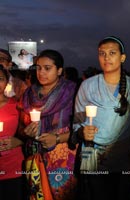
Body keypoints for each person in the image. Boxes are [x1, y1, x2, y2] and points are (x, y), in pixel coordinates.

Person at [72, 36, 130, 200]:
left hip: (124, 154)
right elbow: (78, 119)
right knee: (95, 193)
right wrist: (82, 132)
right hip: (92, 153)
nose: (106, 58)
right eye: (102, 53)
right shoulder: (88, 85)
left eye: (112, 53)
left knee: (123, 194)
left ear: (122, 57)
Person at [18, 49, 77, 200]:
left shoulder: (72, 92)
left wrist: (57, 138)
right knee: (38, 194)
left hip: (63, 154)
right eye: (38, 68)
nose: (41, 72)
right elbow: (19, 127)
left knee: (61, 194)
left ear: (59, 70)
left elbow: (83, 127)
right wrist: (26, 132)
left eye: (47, 68)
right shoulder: (29, 94)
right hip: (35, 154)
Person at [0, 65, 25, 200]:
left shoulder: (17, 105)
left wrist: (19, 141)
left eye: (0, 79)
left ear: (7, 81)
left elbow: (27, 135)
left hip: (13, 169)